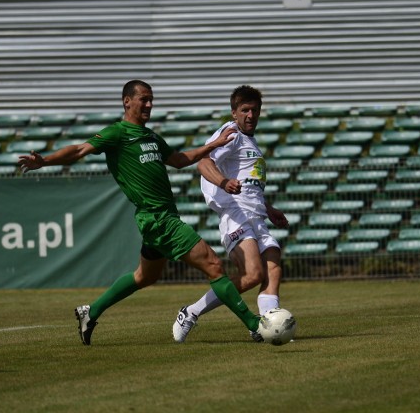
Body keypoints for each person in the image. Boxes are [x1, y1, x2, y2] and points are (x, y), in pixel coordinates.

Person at [18, 79, 260, 345]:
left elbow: (179, 160)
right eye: (143, 99)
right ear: (127, 101)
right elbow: (79, 150)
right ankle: (255, 325)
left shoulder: (151, 137)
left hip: (161, 217)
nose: (149, 104)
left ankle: (91, 311)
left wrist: (213, 146)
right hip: (158, 219)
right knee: (214, 266)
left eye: (151, 99)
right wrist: (45, 161)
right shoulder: (117, 134)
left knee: (145, 276)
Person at [173, 85, 289, 343]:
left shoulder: (251, 143)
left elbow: (250, 183)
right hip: (235, 214)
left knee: (273, 264)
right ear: (234, 113)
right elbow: (203, 162)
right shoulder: (232, 133)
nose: (250, 115)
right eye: (244, 110)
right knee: (252, 275)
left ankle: (267, 327)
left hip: (256, 216)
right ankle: (191, 312)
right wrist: (224, 182)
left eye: (255, 110)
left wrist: (269, 209)